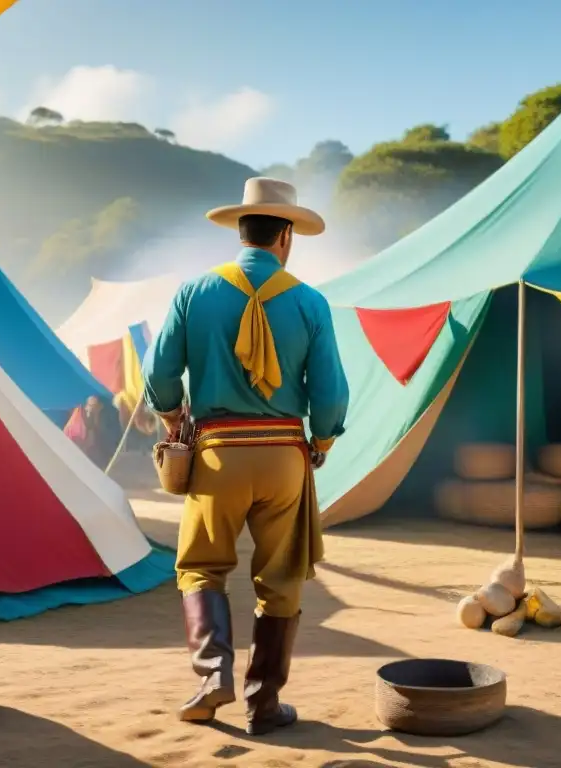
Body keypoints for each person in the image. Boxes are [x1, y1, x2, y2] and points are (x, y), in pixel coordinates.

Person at [141, 177, 349, 735]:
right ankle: (264, 703)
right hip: (283, 455)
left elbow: (159, 373)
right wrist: (322, 440)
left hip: (216, 455)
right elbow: (330, 393)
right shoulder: (310, 300)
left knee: (201, 567)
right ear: (285, 236)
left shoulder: (193, 293)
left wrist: (170, 415)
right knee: (281, 577)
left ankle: (213, 676)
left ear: (241, 233)